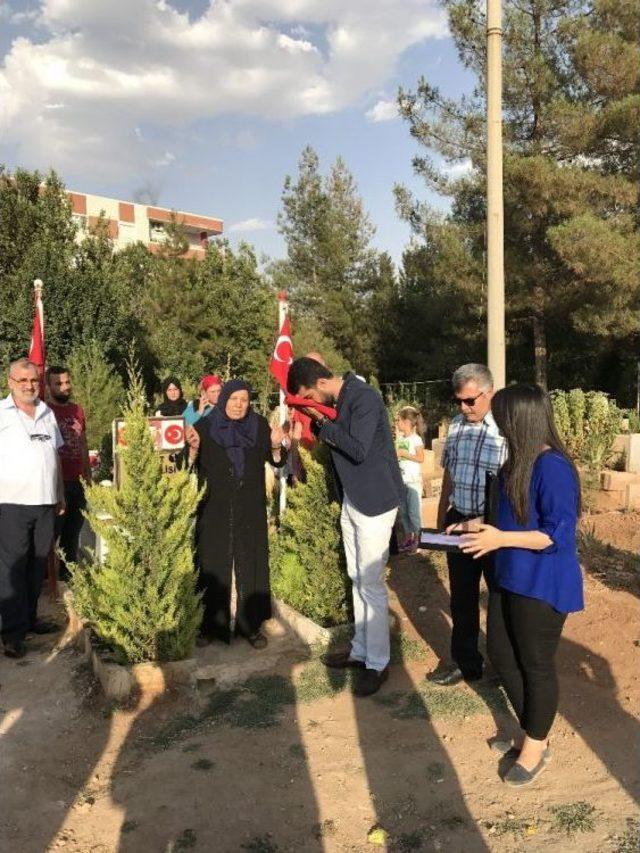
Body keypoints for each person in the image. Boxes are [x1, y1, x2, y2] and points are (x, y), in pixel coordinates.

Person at [460, 383, 583, 786]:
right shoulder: (517, 462)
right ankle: (534, 728)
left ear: (521, 419)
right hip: (509, 575)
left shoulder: (553, 467)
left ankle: (535, 743)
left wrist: (499, 540)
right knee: (499, 650)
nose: (496, 421)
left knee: (535, 664)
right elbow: (510, 520)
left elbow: (556, 535)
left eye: (502, 415)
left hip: (542, 583)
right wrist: (473, 527)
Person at [287, 357, 404, 697]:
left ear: (320, 384)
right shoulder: (343, 398)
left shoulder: (363, 397)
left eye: (309, 396)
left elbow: (358, 448)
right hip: (353, 499)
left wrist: (321, 425)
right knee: (357, 578)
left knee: (371, 584)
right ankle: (361, 650)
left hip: (374, 502)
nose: (310, 402)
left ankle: (378, 663)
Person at [186, 380, 288, 648]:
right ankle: (210, 626)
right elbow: (185, 465)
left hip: (250, 506)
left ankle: (250, 626)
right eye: (233, 399)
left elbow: (277, 461)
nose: (239, 404)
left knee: (251, 562)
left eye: (244, 399)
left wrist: (276, 446)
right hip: (214, 507)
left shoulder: (259, 425)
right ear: (223, 400)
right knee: (212, 565)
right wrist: (194, 448)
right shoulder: (204, 427)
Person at [430, 363, 506, 687]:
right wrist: (440, 517)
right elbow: (448, 472)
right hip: (458, 522)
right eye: (459, 401)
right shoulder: (457, 426)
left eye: (470, 400)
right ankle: (466, 663)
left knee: (502, 598)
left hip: (493, 527)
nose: (464, 407)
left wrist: (499, 528)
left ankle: (505, 668)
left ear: (488, 393)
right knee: (461, 596)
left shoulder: (506, 428)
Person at [0, 359, 65, 658]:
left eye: (34, 381)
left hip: (45, 502)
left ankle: (29, 619)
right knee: (12, 568)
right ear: (10, 381)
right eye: (23, 380)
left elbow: (55, 457)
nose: (29, 386)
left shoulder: (47, 413)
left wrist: (60, 494)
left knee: (37, 565)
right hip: (11, 503)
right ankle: (12, 633)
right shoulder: (1, 413)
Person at [46, 366, 91, 580]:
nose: (64, 387)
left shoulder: (78, 410)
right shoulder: (44, 411)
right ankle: (46, 583)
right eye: (58, 383)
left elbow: (83, 444)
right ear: (49, 386)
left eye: (66, 382)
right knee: (50, 536)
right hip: (55, 483)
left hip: (77, 481)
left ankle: (68, 579)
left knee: (72, 535)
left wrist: (88, 478)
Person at [395, 406, 425, 554]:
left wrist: (405, 454)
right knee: (404, 513)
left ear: (406, 422)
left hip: (413, 482)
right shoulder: (400, 439)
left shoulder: (416, 439)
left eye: (399, 420)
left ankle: (419, 541)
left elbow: (421, 458)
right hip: (402, 482)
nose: (397, 423)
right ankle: (409, 539)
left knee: (414, 513)